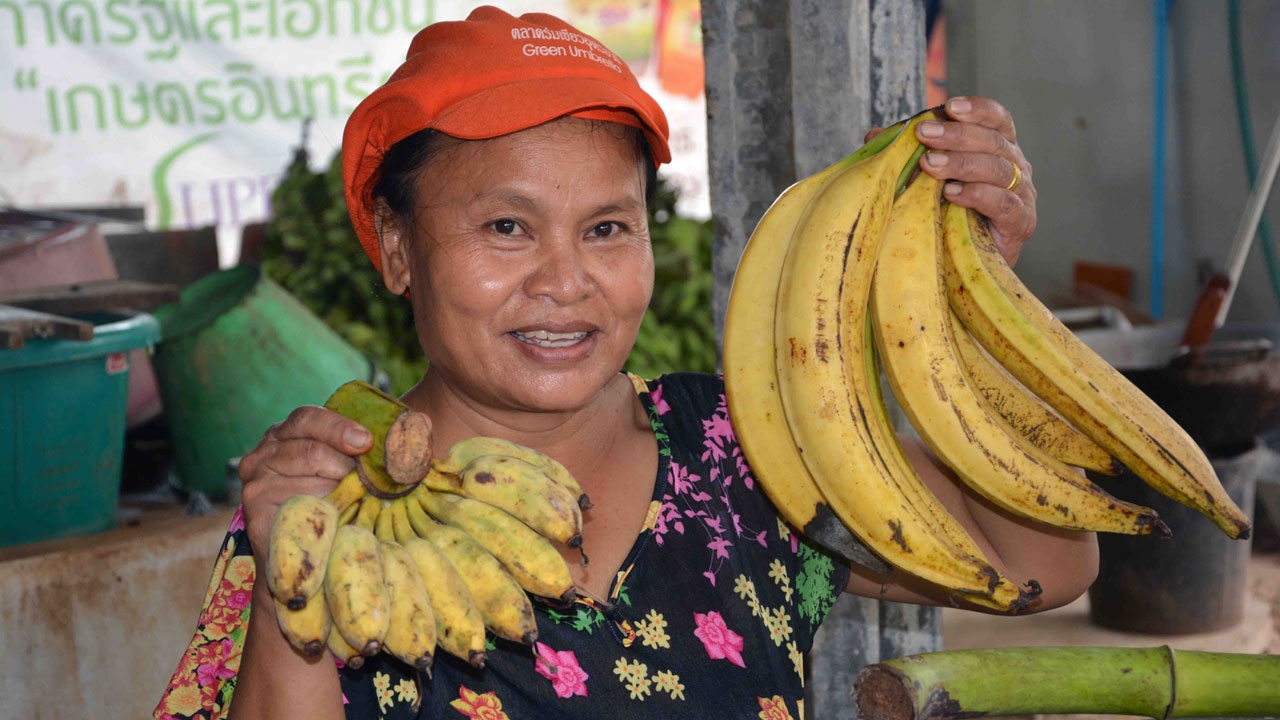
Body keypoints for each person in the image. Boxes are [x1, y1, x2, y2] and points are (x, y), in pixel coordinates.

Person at [154, 6, 1084, 719]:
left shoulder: (744, 454)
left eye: (607, 228)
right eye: (506, 227)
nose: (566, 281)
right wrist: (291, 607)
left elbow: (1043, 561)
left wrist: (975, 290)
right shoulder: (329, 509)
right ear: (397, 249)